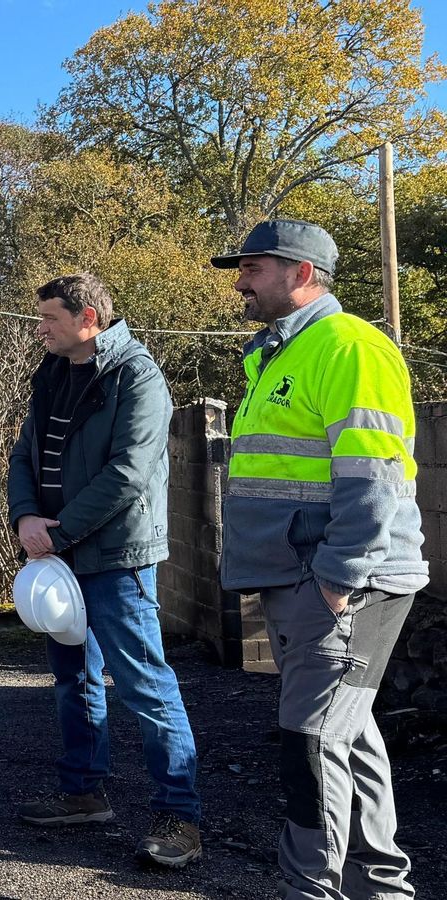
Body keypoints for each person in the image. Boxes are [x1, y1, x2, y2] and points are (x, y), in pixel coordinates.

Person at [212, 219, 425, 899]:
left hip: (339, 582)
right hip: (305, 577)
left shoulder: (348, 346)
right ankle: (380, 890)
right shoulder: (278, 355)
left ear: (301, 273)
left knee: (310, 742)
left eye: (252, 268)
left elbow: (375, 478)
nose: (240, 283)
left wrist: (335, 582)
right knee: (345, 735)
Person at [5, 273, 202, 868]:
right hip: (58, 556)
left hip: (115, 559)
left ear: (88, 318)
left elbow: (129, 472)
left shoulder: (137, 376)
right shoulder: (53, 376)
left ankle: (181, 819)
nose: (39, 329)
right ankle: (83, 793)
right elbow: (23, 455)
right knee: (75, 681)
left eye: (50, 320)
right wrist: (26, 517)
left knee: (146, 686)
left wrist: (58, 530)